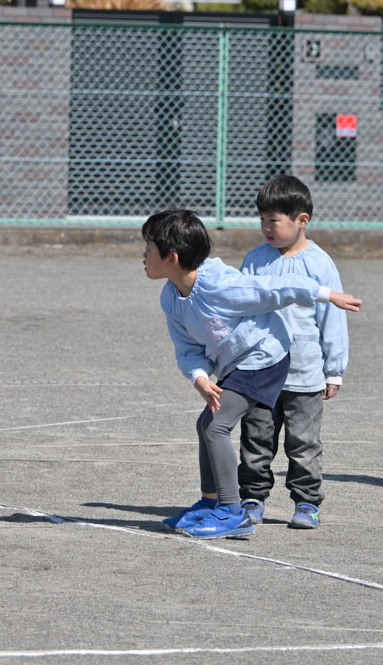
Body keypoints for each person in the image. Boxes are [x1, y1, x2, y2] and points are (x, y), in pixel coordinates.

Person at [141, 208, 361, 539]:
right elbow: (187, 348)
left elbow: (274, 288)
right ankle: (209, 503)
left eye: (149, 249)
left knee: (216, 426)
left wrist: (327, 295)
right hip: (236, 365)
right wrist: (199, 377)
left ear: (171, 258)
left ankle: (232, 512)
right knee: (206, 424)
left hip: (265, 358)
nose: (143, 256)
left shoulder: (220, 284)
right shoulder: (171, 297)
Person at [237, 176, 348, 530]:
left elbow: (332, 319)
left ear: (302, 220)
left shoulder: (320, 264)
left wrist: (334, 369)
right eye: (262, 220)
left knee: (303, 443)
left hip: (305, 373)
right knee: (256, 439)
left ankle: (307, 502)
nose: (267, 228)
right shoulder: (255, 260)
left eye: (274, 220)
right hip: (259, 372)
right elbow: (240, 309)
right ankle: (252, 498)